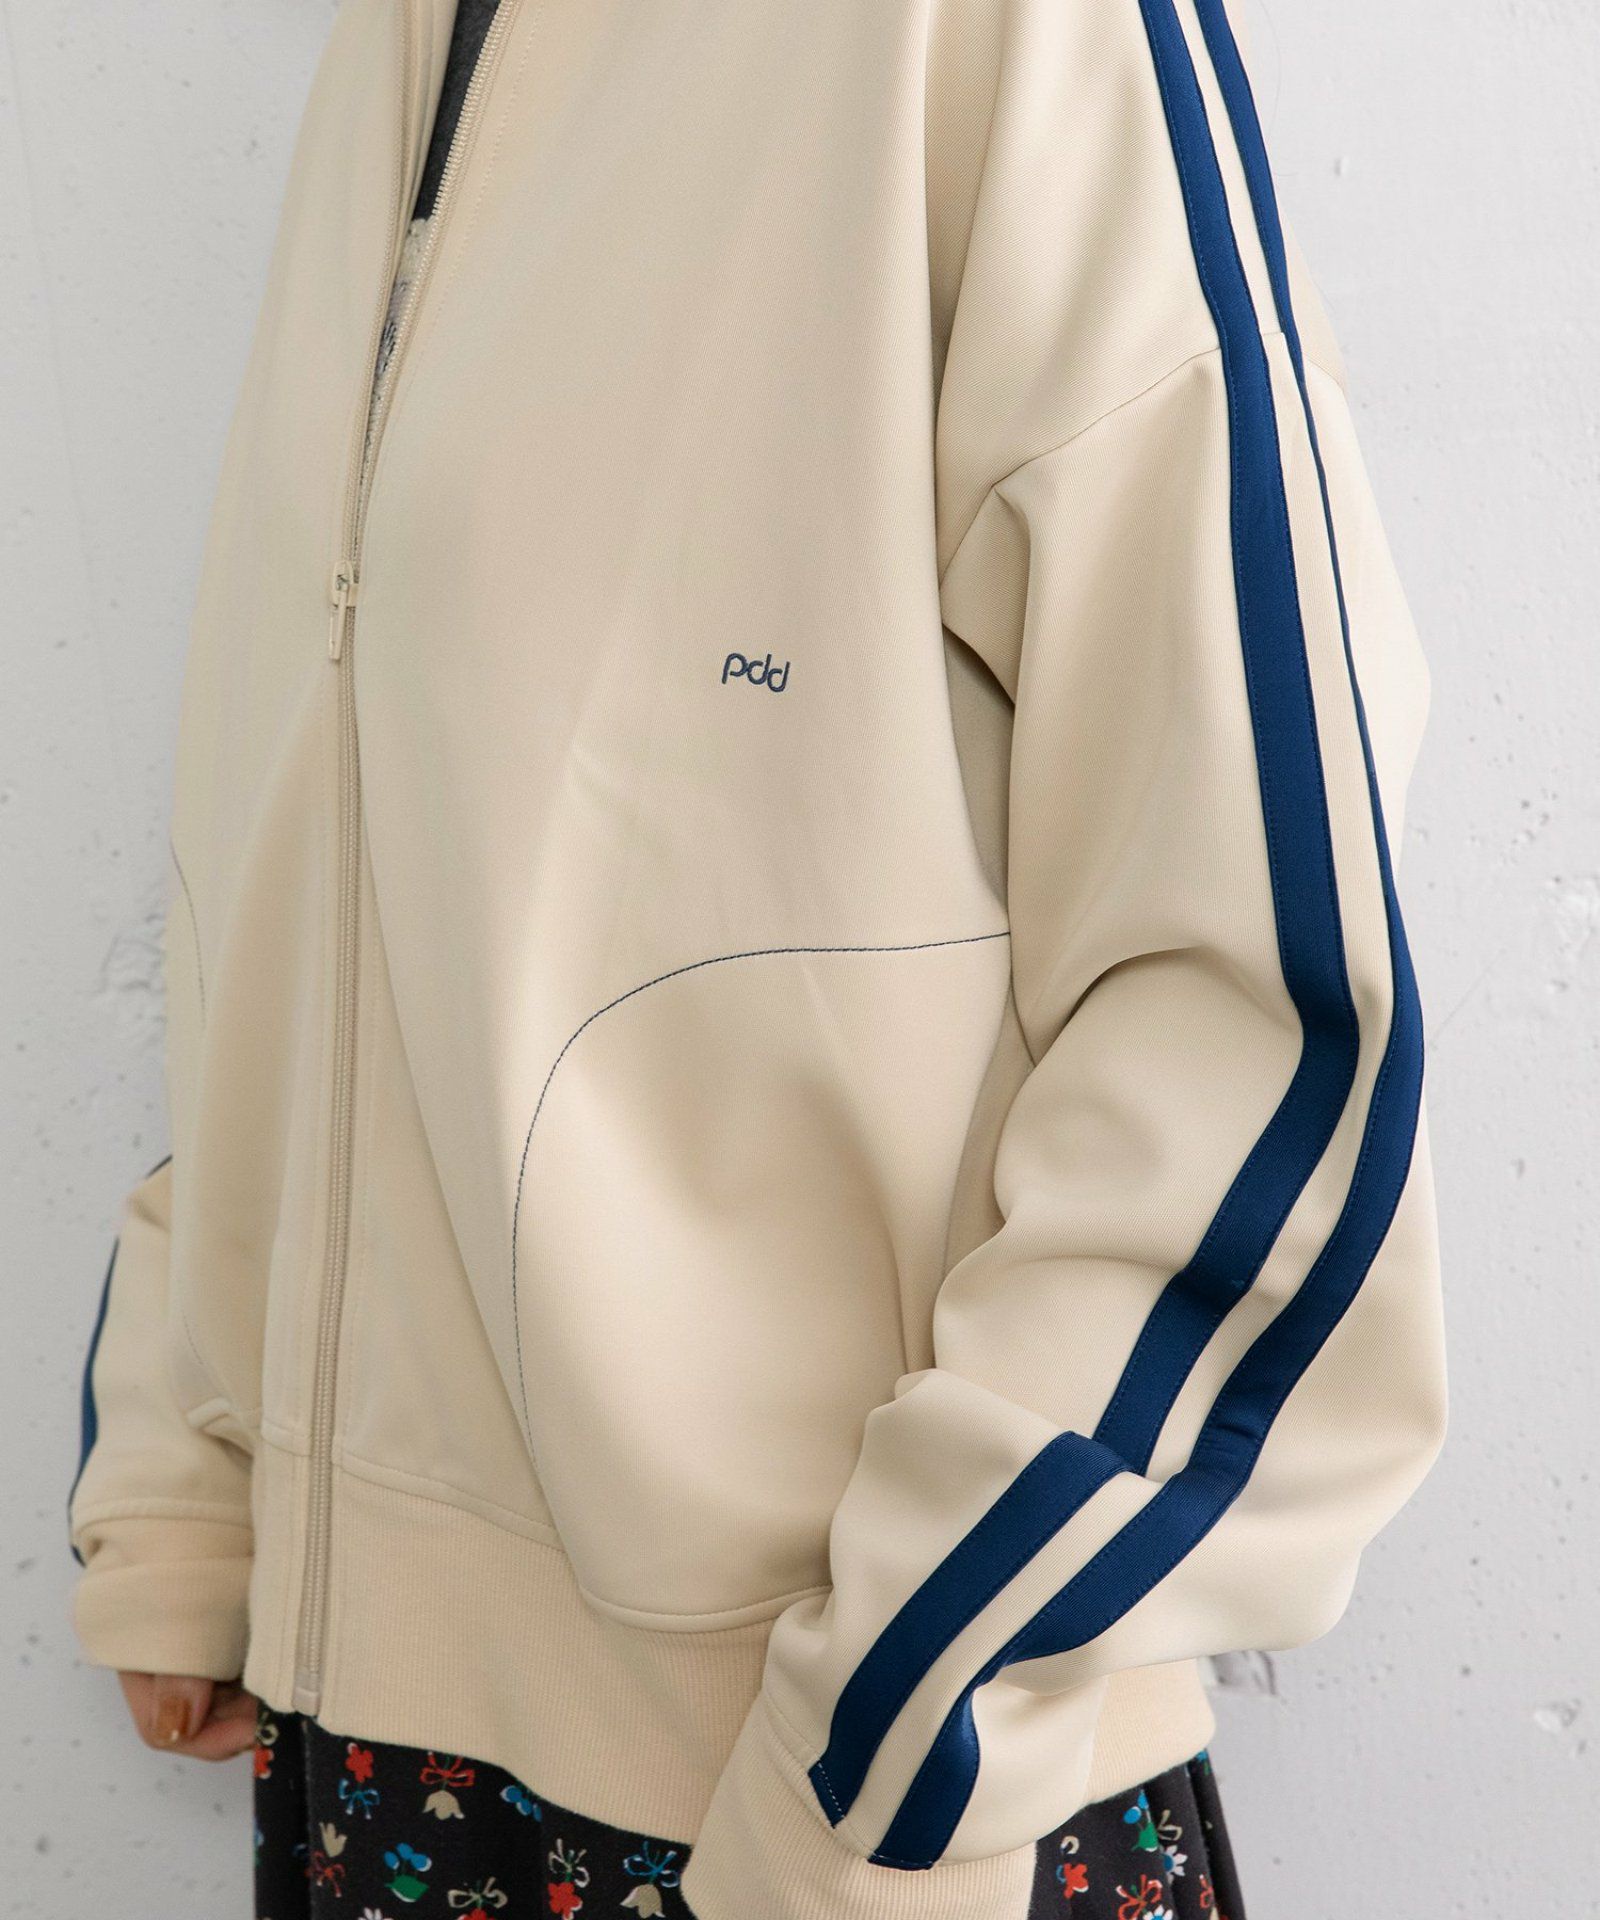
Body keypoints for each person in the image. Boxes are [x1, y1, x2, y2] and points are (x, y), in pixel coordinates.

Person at [66, 0, 1447, 1915]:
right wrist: (207, 1452)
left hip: (842, 1782)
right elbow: (324, 811)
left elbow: (1269, 998)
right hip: (376, 1745)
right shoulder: (397, 39)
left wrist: (903, 1740)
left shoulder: (1002, 31)